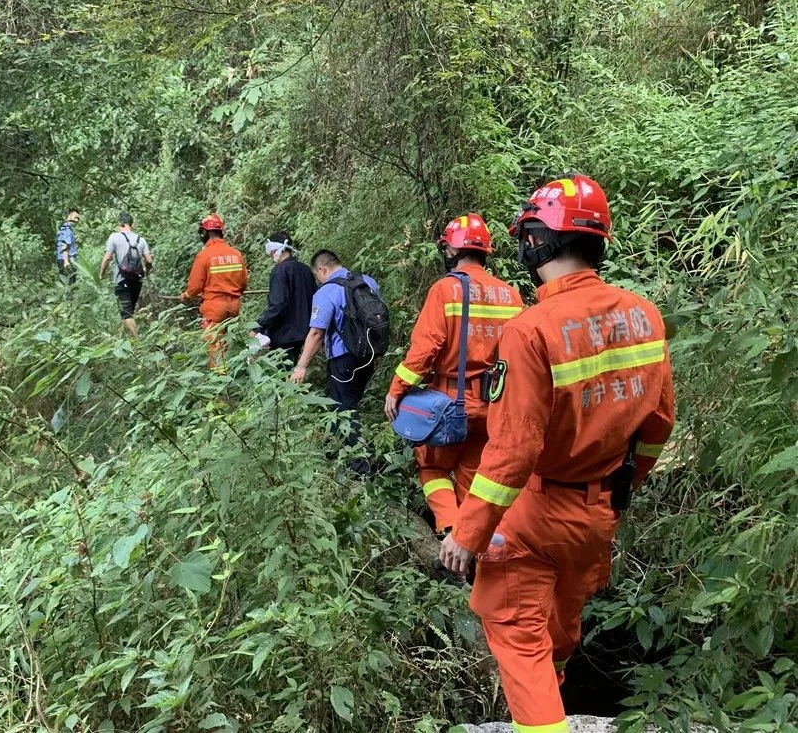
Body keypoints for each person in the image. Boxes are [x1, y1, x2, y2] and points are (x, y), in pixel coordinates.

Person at [438, 176, 676, 733]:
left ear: (538, 243)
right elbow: (659, 426)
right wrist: (621, 487)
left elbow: (514, 449)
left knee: (519, 636)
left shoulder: (532, 330)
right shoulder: (644, 316)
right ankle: (559, 698)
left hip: (535, 514)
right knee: (562, 624)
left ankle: (543, 721)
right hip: (598, 514)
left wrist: (466, 533)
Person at [383, 214, 523, 535]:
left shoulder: (446, 290)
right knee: (472, 477)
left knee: (433, 468)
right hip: (494, 405)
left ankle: (449, 532)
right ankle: (473, 545)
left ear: (450, 250)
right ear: (486, 251)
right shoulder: (510, 295)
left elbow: (424, 350)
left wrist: (397, 389)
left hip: (448, 405)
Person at [290, 250, 382, 467]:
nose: (317, 279)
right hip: (369, 354)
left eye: (316, 275)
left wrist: (301, 366)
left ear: (322, 269)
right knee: (344, 403)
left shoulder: (327, 291)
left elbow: (316, 333)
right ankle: (334, 450)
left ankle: (359, 466)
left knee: (345, 409)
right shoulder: (367, 281)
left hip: (343, 358)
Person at [180, 213, 249, 367]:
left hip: (214, 307)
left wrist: (187, 295)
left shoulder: (204, 255)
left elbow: (195, 286)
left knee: (215, 347)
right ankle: (235, 373)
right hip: (234, 306)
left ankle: (220, 383)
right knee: (228, 342)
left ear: (204, 233)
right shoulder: (236, 254)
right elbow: (243, 283)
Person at [252, 231, 316, 366]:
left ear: (274, 249)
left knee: (282, 374)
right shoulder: (305, 269)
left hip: (284, 335)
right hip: (305, 333)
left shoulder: (279, 271)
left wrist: (258, 326)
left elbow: (278, 304)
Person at [99, 212, 153, 337]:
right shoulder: (141, 240)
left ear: (120, 224)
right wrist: (147, 271)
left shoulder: (114, 237)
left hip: (121, 280)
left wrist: (101, 274)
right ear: (132, 224)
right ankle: (127, 341)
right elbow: (149, 260)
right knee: (128, 312)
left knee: (127, 314)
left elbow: (107, 258)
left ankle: (138, 345)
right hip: (136, 280)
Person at [56, 208, 80, 285]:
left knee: (65, 284)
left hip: (63, 259)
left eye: (78, 218)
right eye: (75, 218)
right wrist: (66, 261)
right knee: (70, 285)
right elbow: (64, 245)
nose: (76, 220)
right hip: (68, 260)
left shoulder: (64, 227)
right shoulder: (67, 229)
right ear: (69, 215)